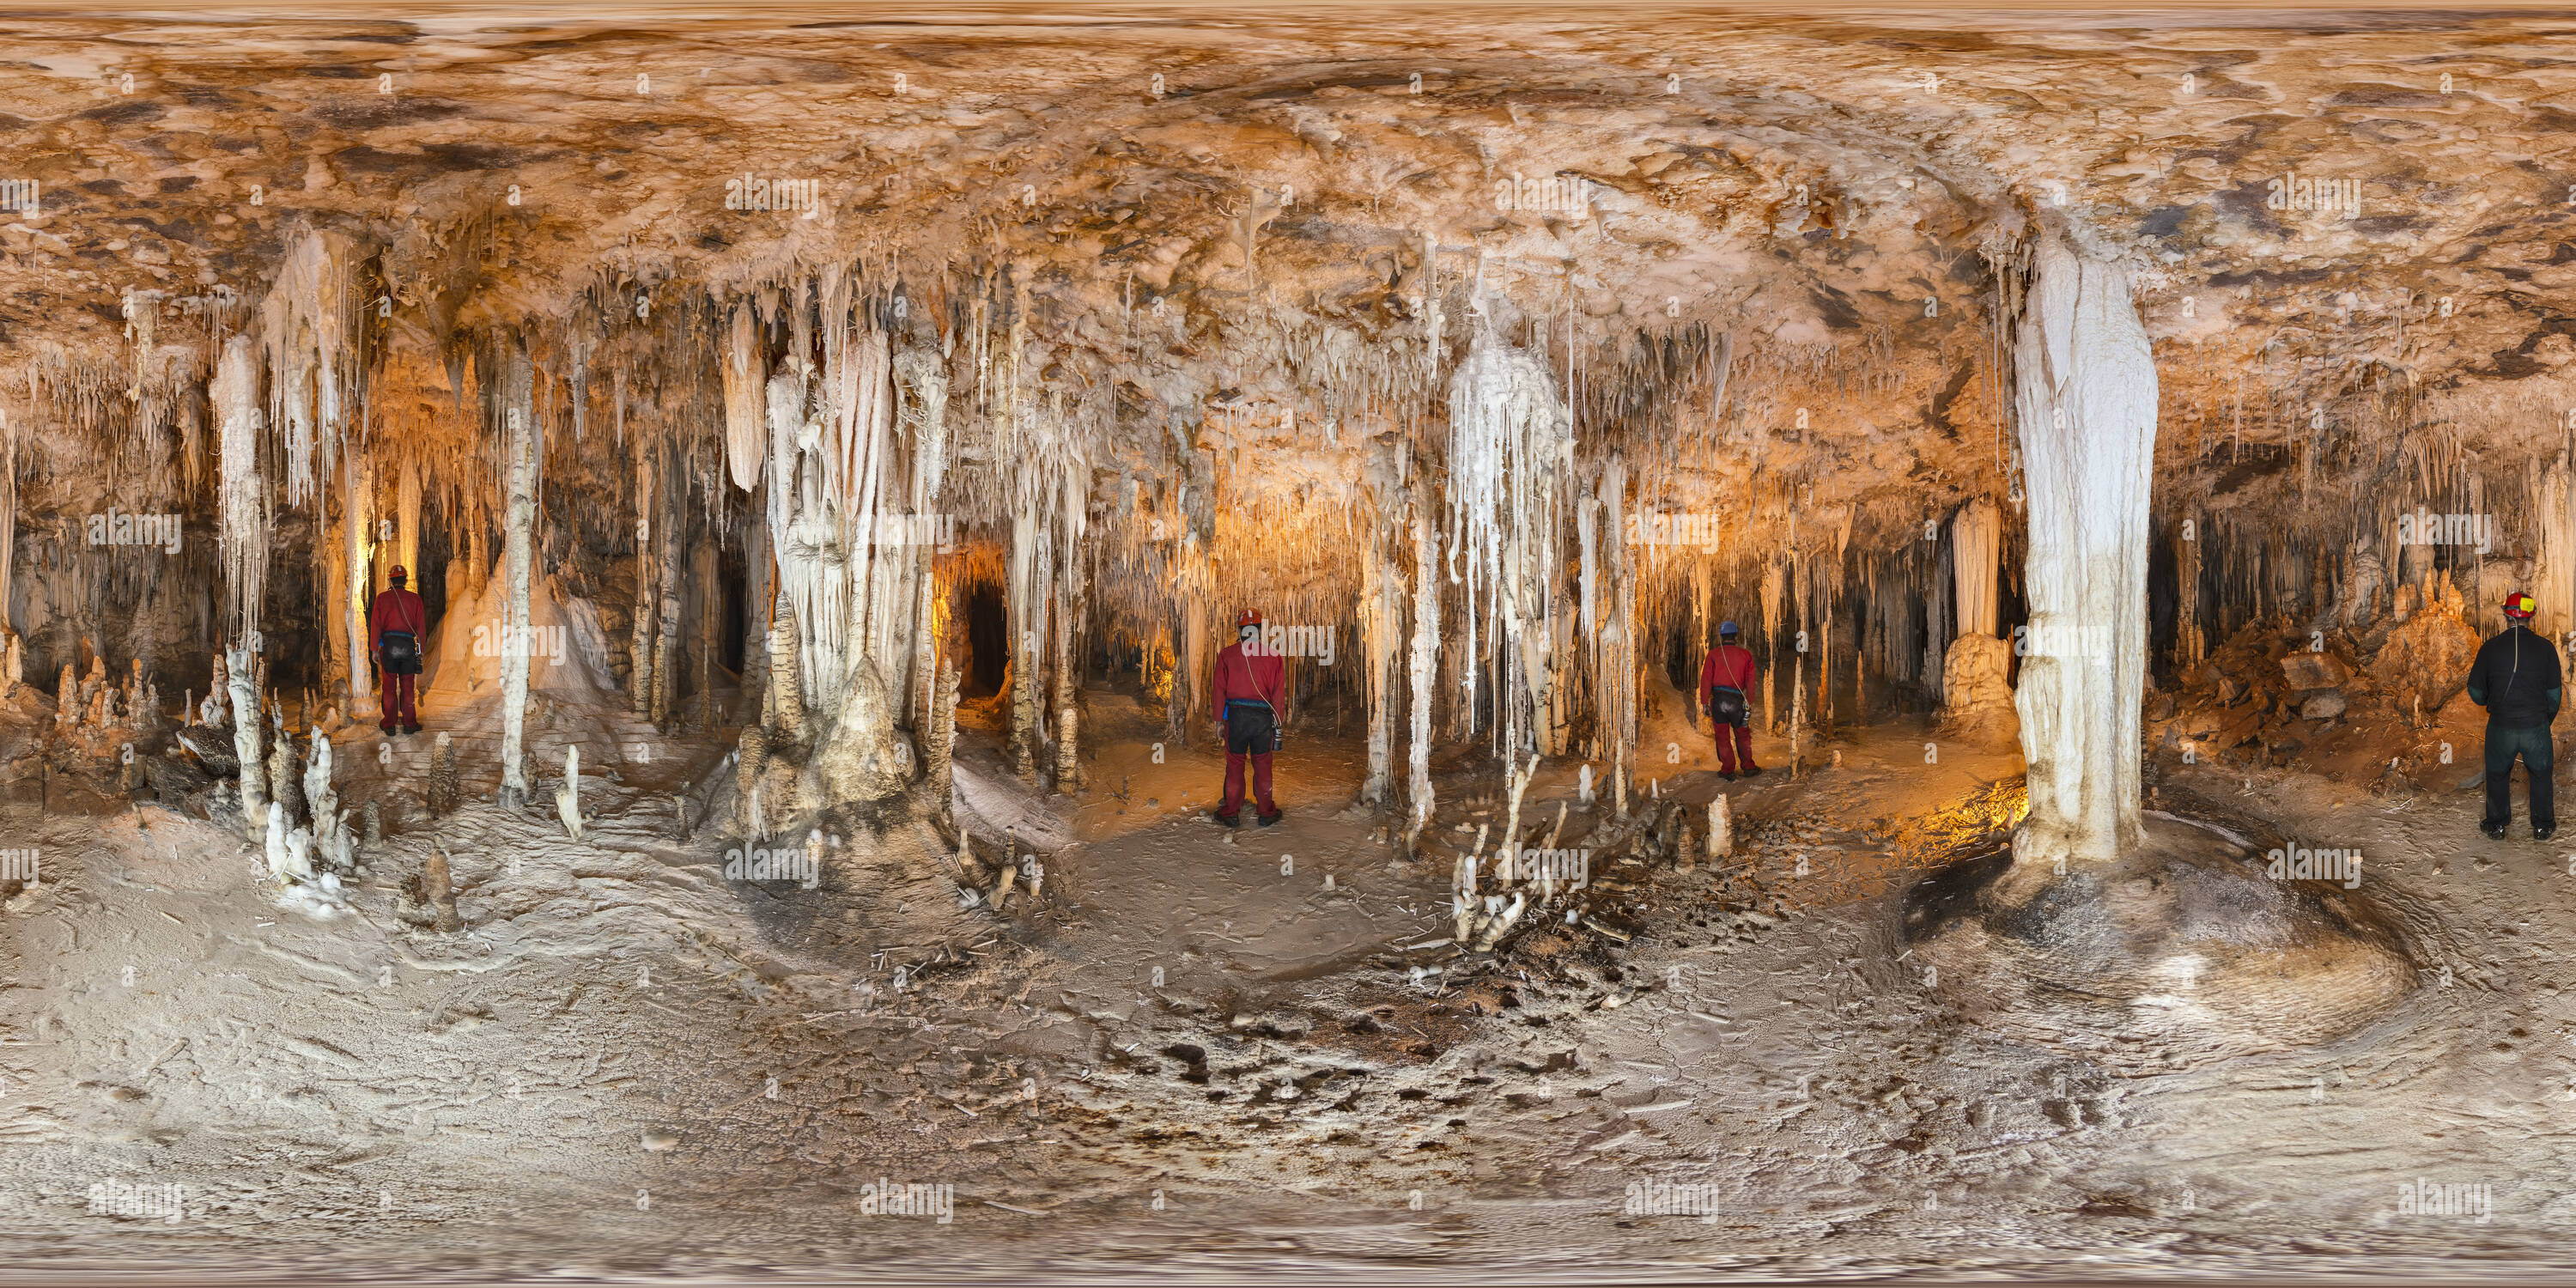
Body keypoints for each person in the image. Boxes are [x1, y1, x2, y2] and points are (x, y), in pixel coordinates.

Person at [2468, 590, 2561, 841]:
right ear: (2531, 616)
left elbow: (2475, 691)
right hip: (2536, 727)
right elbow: (2554, 696)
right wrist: (2542, 721)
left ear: (2506, 615)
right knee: (2541, 775)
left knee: (2497, 775)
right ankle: (2542, 826)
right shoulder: (2547, 649)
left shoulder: (2489, 648)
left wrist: (2491, 703)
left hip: (2501, 726)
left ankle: (2497, 826)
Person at [1209, 608, 1288, 828]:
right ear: (1260, 630)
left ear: (1240, 629)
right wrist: (1277, 723)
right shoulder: (1273, 657)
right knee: (1263, 765)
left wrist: (1218, 720)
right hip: (1262, 719)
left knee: (1235, 765)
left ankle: (1231, 813)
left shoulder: (1227, 655)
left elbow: (1219, 690)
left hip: (1236, 718)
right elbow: (1278, 695)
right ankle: (1266, 812)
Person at [1695, 619, 1763, 781]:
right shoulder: (1746, 655)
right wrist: (1750, 701)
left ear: (1721, 637)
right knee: (1742, 734)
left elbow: (1706, 680)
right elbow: (1750, 680)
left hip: (1718, 700)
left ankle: (1727, 770)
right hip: (1736, 700)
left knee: (1722, 736)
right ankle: (1748, 767)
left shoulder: (1713, 655)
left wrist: (1704, 702)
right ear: (1736, 637)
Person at [370, 564, 428, 736]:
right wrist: (421, 649)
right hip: (408, 646)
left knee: (389, 687)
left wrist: (374, 649)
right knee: (407, 686)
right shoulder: (415, 599)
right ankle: (410, 723)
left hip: (389, 646)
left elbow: (376, 625)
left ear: (391, 580)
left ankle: (389, 724)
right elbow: (421, 627)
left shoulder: (382, 598)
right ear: (405, 580)